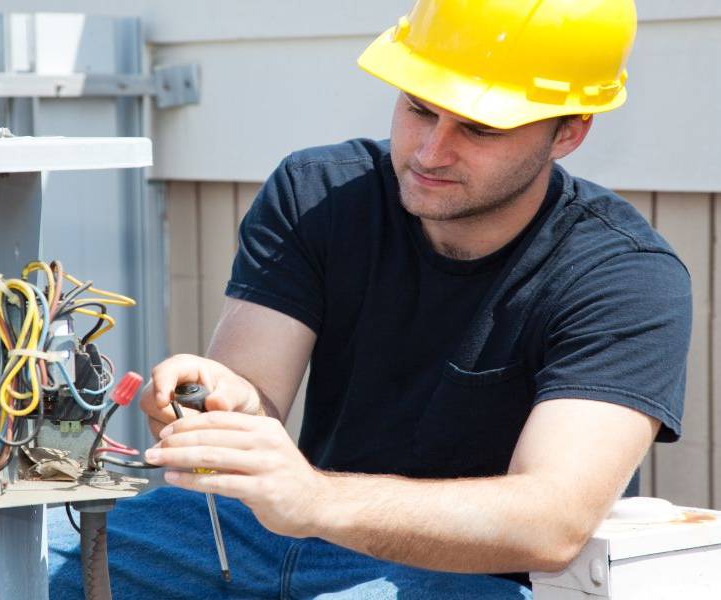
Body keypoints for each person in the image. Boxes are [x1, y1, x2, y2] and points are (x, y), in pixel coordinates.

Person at [49, 1, 691, 598]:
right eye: (418, 107)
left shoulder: (625, 276)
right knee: (14, 552)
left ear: (569, 133)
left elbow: (552, 522)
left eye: (480, 127)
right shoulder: (318, 192)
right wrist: (227, 401)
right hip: (272, 535)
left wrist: (316, 499)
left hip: (466, 576)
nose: (432, 151)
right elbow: (254, 396)